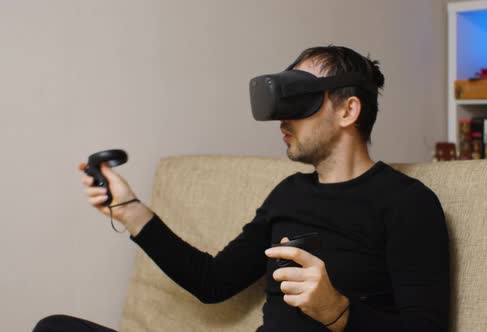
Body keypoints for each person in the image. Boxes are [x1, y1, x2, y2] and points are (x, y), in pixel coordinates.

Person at [34, 46, 449, 332]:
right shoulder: (289, 194)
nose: (282, 122)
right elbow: (213, 282)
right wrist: (130, 210)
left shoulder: (407, 204)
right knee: (55, 328)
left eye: (297, 101)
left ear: (348, 109)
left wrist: (339, 312)